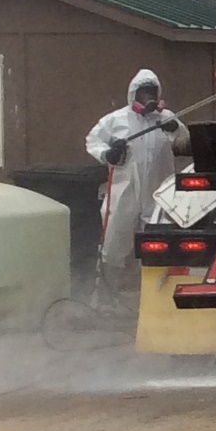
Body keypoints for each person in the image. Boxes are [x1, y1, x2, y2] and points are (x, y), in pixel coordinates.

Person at [85, 69, 186, 308]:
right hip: (124, 193)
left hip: (159, 194)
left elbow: (186, 141)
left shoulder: (167, 119)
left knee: (158, 249)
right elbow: (93, 140)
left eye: (152, 92)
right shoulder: (116, 120)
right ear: (133, 94)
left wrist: (175, 130)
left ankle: (156, 303)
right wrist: (107, 154)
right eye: (143, 92)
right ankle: (105, 303)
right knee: (113, 247)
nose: (148, 97)